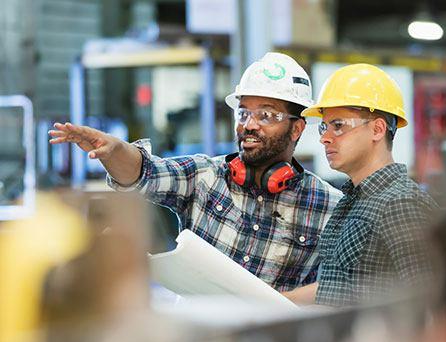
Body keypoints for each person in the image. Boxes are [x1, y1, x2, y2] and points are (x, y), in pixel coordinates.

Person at [49, 52, 341, 292]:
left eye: (266, 115)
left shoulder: (328, 206)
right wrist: (113, 150)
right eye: (243, 113)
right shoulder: (205, 176)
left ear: (298, 127)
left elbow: (334, 291)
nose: (249, 124)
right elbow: (145, 173)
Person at [282, 63, 439, 307]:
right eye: (325, 126)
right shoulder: (353, 201)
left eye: (338, 126)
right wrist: (278, 301)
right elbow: (337, 287)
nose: (324, 137)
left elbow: (430, 300)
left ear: (377, 129)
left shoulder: (401, 205)